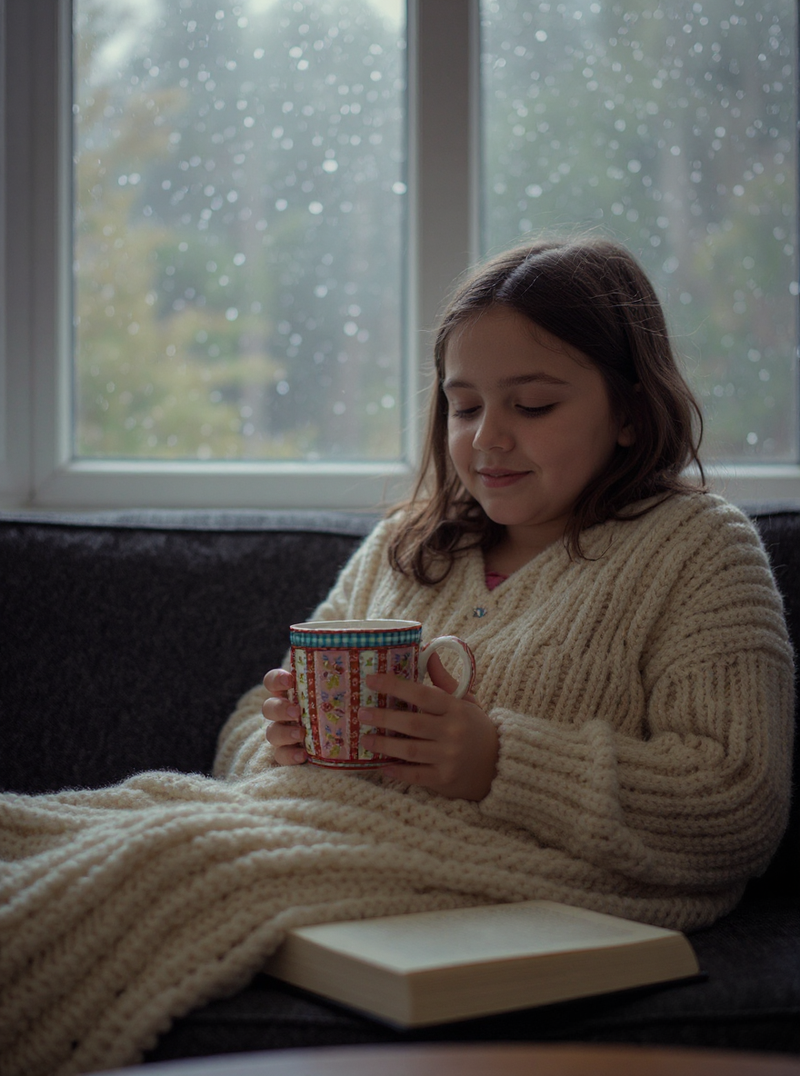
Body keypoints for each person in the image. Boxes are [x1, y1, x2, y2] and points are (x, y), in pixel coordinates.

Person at [1, 236, 793, 1076]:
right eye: (464, 406)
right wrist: (281, 737)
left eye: (532, 406)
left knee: (161, 867)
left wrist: (499, 762)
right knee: (39, 835)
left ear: (630, 410)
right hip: (312, 823)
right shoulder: (410, 546)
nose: (487, 438)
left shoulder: (699, 549)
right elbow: (248, 721)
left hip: (517, 877)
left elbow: (737, 800)